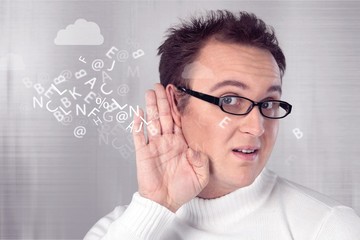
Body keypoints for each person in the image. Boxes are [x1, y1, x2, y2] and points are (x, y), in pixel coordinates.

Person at [84, 10, 360, 240]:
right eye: (230, 99)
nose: (257, 127)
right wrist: (158, 203)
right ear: (174, 102)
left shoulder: (327, 227)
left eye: (268, 102)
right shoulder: (122, 227)